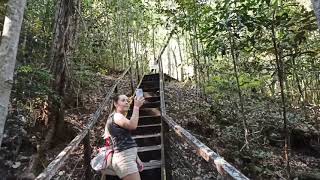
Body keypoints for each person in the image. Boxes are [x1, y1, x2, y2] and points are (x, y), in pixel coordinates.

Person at [103, 94, 145, 180]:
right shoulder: (117, 116)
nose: (126, 102)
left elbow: (124, 140)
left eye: (127, 101)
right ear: (115, 103)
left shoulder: (116, 117)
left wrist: (136, 158)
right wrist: (136, 107)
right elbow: (132, 125)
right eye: (123, 100)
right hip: (124, 159)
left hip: (127, 158)